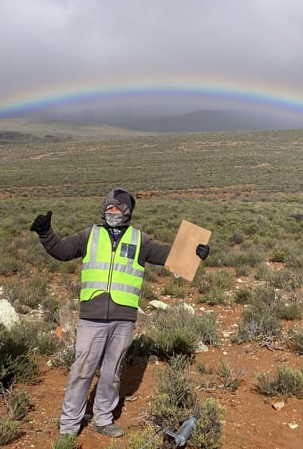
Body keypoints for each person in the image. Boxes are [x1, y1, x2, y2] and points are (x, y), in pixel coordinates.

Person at [30, 188, 211, 441]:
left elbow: (169, 256)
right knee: (82, 369)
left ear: (127, 212)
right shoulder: (89, 235)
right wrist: (45, 233)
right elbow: (61, 250)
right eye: (109, 206)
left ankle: (103, 419)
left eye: (118, 207)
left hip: (123, 318)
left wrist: (196, 253)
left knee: (112, 372)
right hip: (92, 316)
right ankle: (69, 426)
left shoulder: (140, 240)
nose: (112, 211)